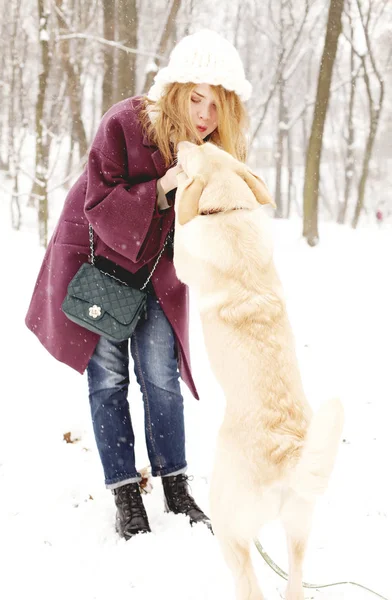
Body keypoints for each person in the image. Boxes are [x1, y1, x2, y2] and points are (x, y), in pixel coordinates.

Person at [25, 29, 251, 540]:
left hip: (158, 274)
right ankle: (126, 493)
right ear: (174, 90)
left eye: (217, 106)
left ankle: (175, 485)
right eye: (196, 99)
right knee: (107, 379)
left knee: (161, 378)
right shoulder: (125, 122)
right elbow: (100, 204)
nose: (205, 116)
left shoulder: (210, 144)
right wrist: (166, 186)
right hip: (103, 264)